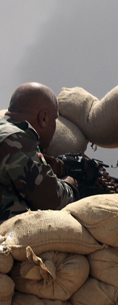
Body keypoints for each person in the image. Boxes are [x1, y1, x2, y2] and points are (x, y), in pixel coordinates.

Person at [0, 82, 77, 221]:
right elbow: (52, 200)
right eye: (54, 120)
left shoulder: (5, 132)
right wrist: (70, 185)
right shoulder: (17, 140)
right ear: (43, 118)